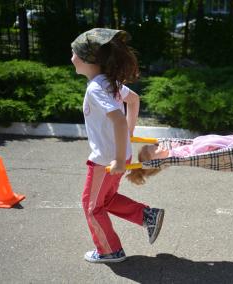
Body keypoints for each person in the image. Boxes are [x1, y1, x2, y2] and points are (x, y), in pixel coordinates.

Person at [71, 28, 164, 263]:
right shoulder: (108, 82)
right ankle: (147, 216)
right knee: (106, 200)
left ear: (86, 59)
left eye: (73, 53)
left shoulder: (95, 88)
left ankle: (109, 250)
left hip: (106, 160)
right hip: (116, 158)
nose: (71, 58)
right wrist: (128, 135)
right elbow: (133, 100)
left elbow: (118, 118)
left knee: (91, 206)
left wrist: (120, 158)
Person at [126, 133, 233, 185]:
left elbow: (178, 144)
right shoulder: (166, 160)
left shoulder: (168, 150)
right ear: (156, 162)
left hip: (193, 147)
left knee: (204, 139)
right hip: (195, 153)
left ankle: (229, 142)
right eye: (155, 150)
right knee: (205, 143)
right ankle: (230, 145)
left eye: (156, 146)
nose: (159, 146)